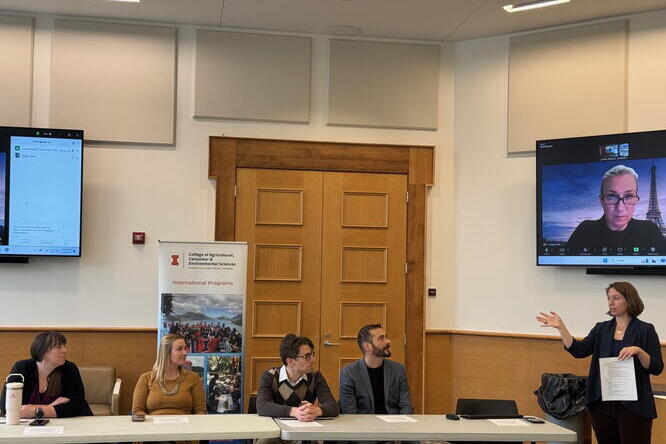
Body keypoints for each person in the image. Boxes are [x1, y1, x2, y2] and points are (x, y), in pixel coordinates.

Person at [536, 282, 663, 444]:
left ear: (630, 300)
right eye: (609, 298)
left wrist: (639, 351)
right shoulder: (601, 329)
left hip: (633, 406)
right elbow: (579, 350)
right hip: (602, 404)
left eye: (616, 298)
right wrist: (561, 328)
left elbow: (657, 367)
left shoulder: (645, 330)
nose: (611, 302)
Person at [567, 165, 666, 254]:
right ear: (601, 201)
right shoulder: (584, 231)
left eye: (629, 196)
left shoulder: (651, 231)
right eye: (611, 196)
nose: (620, 208)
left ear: (637, 200)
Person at [0, 331, 92, 418]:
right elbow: (6, 407)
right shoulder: (22, 368)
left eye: (64, 346)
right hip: (30, 427)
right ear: (43, 352)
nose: (65, 350)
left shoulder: (69, 368)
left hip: (69, 424)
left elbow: (77, 406)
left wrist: (34, 411)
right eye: (59, 347)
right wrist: (50, 406)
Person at [256, 333, 339, 422]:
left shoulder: (315, 377)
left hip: (306, 430)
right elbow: (262, 406)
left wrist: (317, 411)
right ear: (290, 361)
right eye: (307, 356)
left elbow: (333, 407)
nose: (313, 359)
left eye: (312, 354)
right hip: (276, 429)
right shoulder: (270, 376)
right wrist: (295, 412)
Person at [339, 324, 413, 414]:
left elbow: (406, 406)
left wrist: (404, 425)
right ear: (367, 346)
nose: (388, 341)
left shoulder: (398, 370)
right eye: (381, 338)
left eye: (385, 337)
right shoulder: (349, 373)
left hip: (394, 425)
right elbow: (349, 412)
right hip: (363, 425)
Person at [132, 333, 206, 417]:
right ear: (166, 352)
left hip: (185, 428)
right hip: (155, 428)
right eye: (179, 349)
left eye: (185, 348)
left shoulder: (193, 378)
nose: (185, 352)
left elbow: (201, 411)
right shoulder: (145, 379)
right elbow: (137, 411)